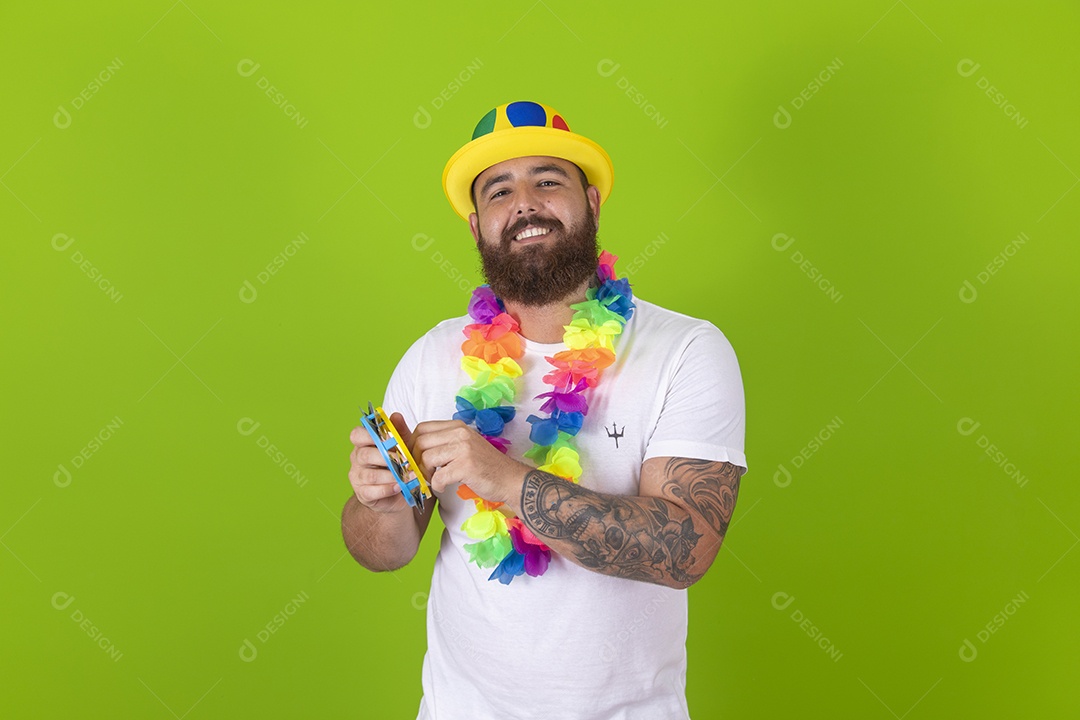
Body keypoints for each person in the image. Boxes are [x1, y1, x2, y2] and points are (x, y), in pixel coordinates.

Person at [342, 100, 747, 720]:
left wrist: (504, 478)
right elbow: (383, 552)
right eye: (499, 190)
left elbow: (686, 548)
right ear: (477, 227)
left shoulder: (685, 350)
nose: (525, 202)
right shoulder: (432, 357)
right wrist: (382, 502)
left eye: (547, 180)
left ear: (592, 202)